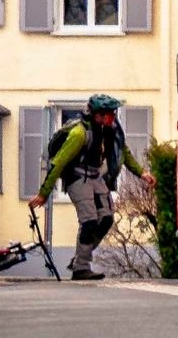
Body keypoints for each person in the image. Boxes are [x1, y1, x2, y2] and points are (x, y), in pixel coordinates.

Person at [30, 93, 143, 280]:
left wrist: (142, 173)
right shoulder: (79, 134)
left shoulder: (108, 130)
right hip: (78, 180)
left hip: (95, 177)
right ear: (97, 114)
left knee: (106, 219)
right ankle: (81, 268)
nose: (113, 117)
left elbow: (123, 151)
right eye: (109, 114)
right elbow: (58, 163)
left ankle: (79, 259)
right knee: (89, 222)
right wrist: (44, 193)